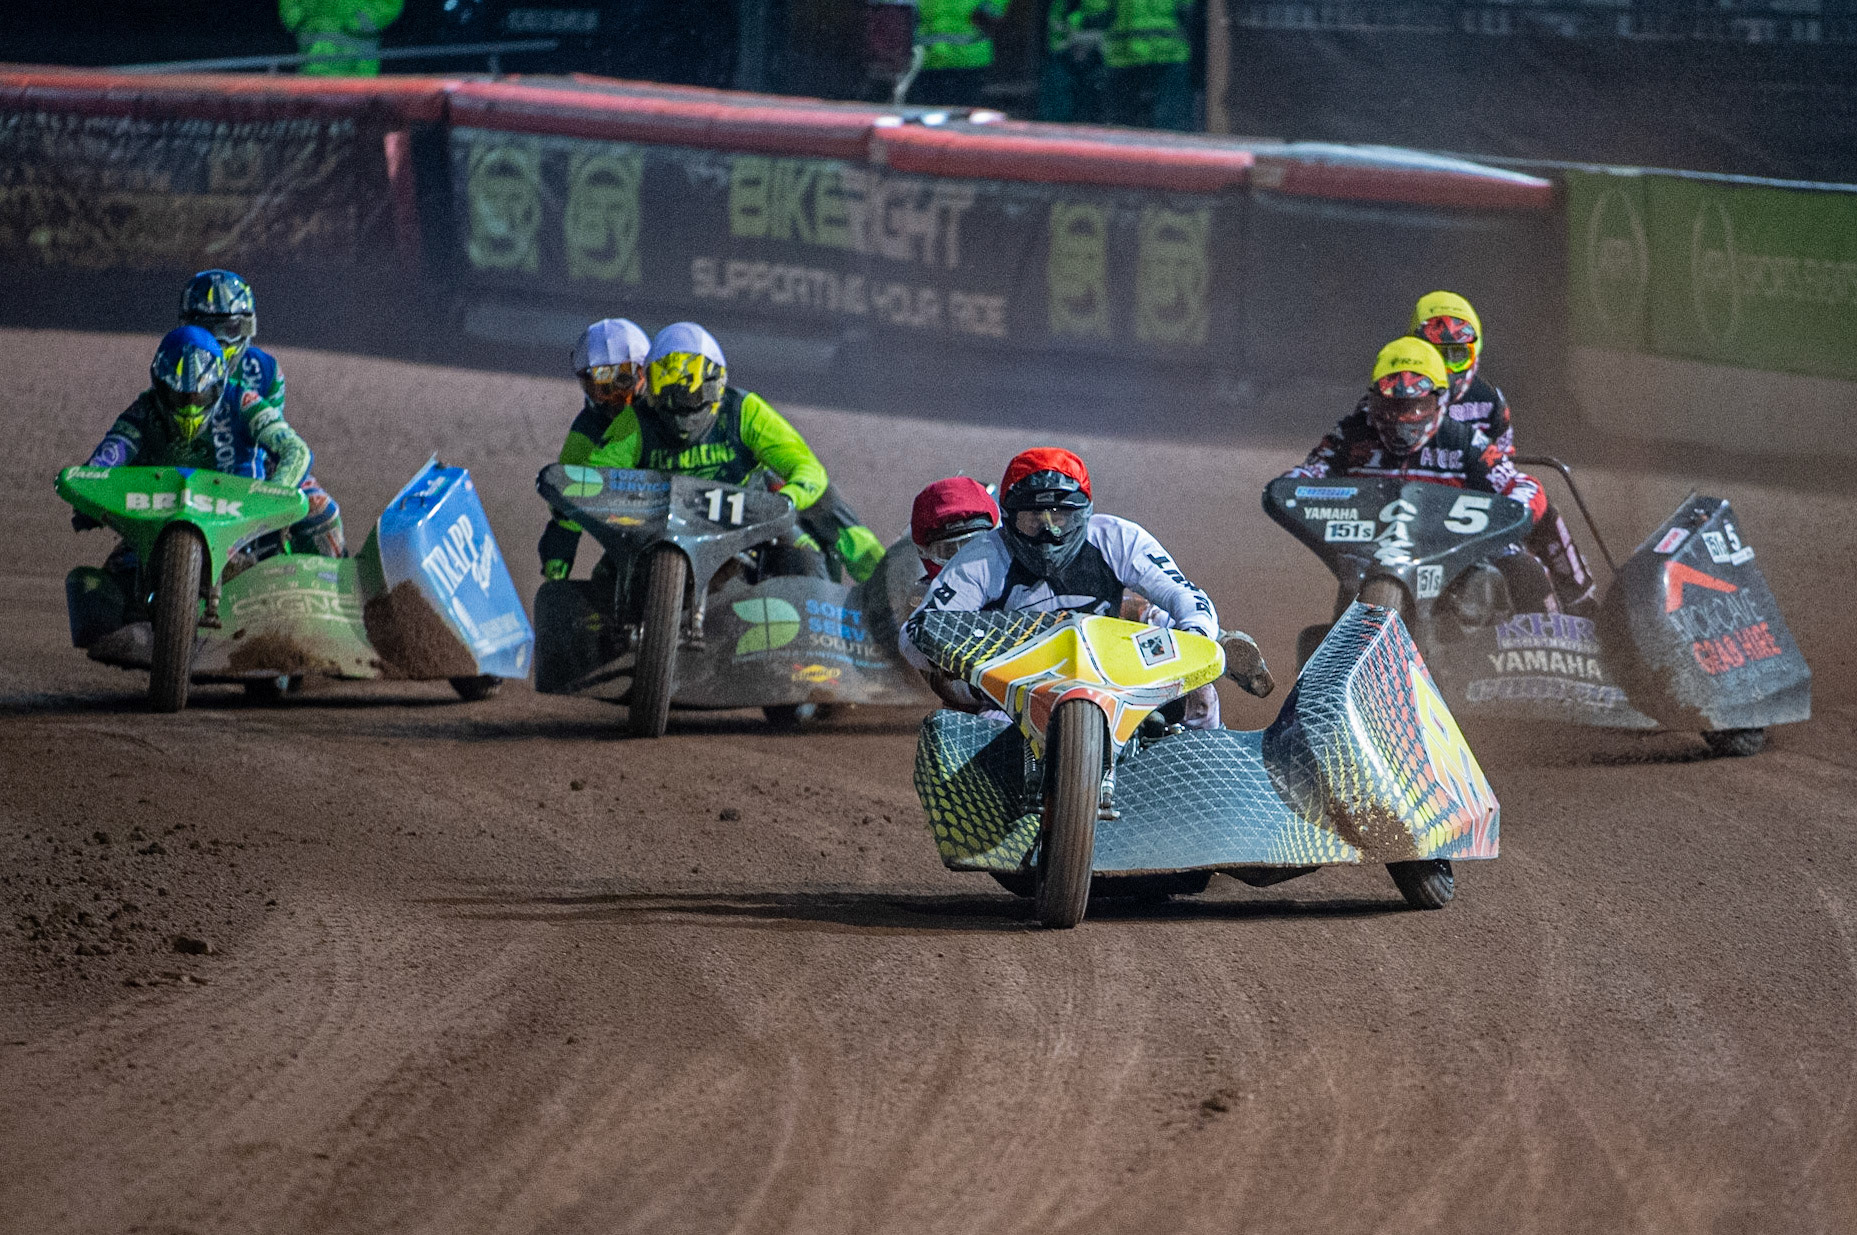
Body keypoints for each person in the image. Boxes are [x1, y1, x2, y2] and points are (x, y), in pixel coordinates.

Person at [903, 447, 1272, 728]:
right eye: (1033, 519)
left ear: (1085, 513)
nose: (1049, 532)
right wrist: (957, 658)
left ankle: (1204, 772)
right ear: (1010, 519)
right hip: (1016, 689)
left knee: (1198, 691)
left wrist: (1198, 635)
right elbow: (915, 635)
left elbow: (1183, 593)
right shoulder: (984, 555)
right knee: (977, 730)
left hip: (1117, 673)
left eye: (1060, 517)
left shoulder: (1115, 537)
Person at [584, 322, 888, 582]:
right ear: (652, 392)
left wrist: (786, 501)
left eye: (693, 399)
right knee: (605, 579)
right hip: (660, 529)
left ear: (717, 386)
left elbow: (809, 471)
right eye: (670, 403)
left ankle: (871, 600)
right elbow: (595, 475)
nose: (683, 416)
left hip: (751, 526)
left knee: (806, 554)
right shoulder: (635, 421)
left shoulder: (745, 410)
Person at [1285, 337, 1556, 612]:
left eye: (1415, 407)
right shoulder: (1351, 433)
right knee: (1328, 631)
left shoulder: (1463, 440)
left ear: (1440, 401)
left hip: (1454, 554)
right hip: (1370, 559)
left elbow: (1520, 484)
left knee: (1524, 569)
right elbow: (1308, 475)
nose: (1402, 420)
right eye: (1391, 407)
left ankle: (1551, 644)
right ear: (1372, 401)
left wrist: (1511, 513)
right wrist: (1290, 488)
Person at [76, 327, 342, 597]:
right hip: (158, 526)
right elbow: (108, 456)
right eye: (179, 397)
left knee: (321, 512)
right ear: (160, 386)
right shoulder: (143, 410)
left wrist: (278, 493)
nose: (190, 408)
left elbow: (294, 449)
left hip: (246, 528)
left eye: (199, 397)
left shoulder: (243, 401)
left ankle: (336, 594)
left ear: (218, 385)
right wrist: (88, 497)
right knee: (97, 596)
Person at [1410, 290, 1598, 614]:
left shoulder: (1489, 401)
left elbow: (1502, 471)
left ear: (1474, 353)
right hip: (1411, 515)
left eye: (1455, 355)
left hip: (1473, 514)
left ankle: (1581, 605)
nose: (1445, 366)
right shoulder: (1393, 396)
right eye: (1433, 354)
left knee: (1538, 525)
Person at [176, 269, 344, 557]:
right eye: (206, 330)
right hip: (188, 470)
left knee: (322, 511)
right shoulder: (176, 362)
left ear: (246, 329)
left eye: (228, 330)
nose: (218, 341)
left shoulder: (265, 370)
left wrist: (274, 494)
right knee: (121, 561)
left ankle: (336, 585)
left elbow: (273, 441)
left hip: (256, 472)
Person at [538, 318, 652, 580]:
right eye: (602, 385)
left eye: (622, 379)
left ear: (644, 373)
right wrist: (556, 572)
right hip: (633, 537)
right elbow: (567, 510)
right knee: (606, 580)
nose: (614, 396)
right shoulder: (586, 430)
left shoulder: (668, 414)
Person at [1074, 0, 1195, 130]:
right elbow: (1190, 9)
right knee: (1171, 127)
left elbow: (1095, 10)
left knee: (1121, 129)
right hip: (1169, 52)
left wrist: (1075, 21)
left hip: (1124, 54)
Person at [909, 0, 1010, 107]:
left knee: (964, 115)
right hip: (926, 60)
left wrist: (988, 10)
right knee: (926, 116)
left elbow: (994, 12)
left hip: (968, 60)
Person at [278, 0, 404, 76]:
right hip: (313, 51)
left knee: (356, 107)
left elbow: (389, 3)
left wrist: (360, 21)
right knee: (313, 108)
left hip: (356, 56)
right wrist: (297, 18)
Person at [911, 476, 1000, 580]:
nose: (964, 566)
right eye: (949, 552)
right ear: (924, 553)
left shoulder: (1018, 587)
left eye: (975, 547)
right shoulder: (911, 592)